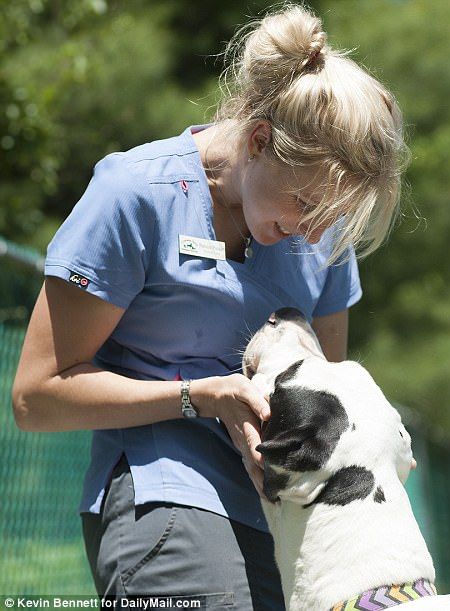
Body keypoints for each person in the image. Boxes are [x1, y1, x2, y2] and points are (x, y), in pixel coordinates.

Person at [12, 4, 408, 609]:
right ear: (256, 139)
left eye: (329, 218)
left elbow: (322, 396)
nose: (311, 233)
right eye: (303, 201)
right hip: (167, 496)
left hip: (290, 525)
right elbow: (36, 397)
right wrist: (200, 396)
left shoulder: (319, 234)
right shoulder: (134, 194)